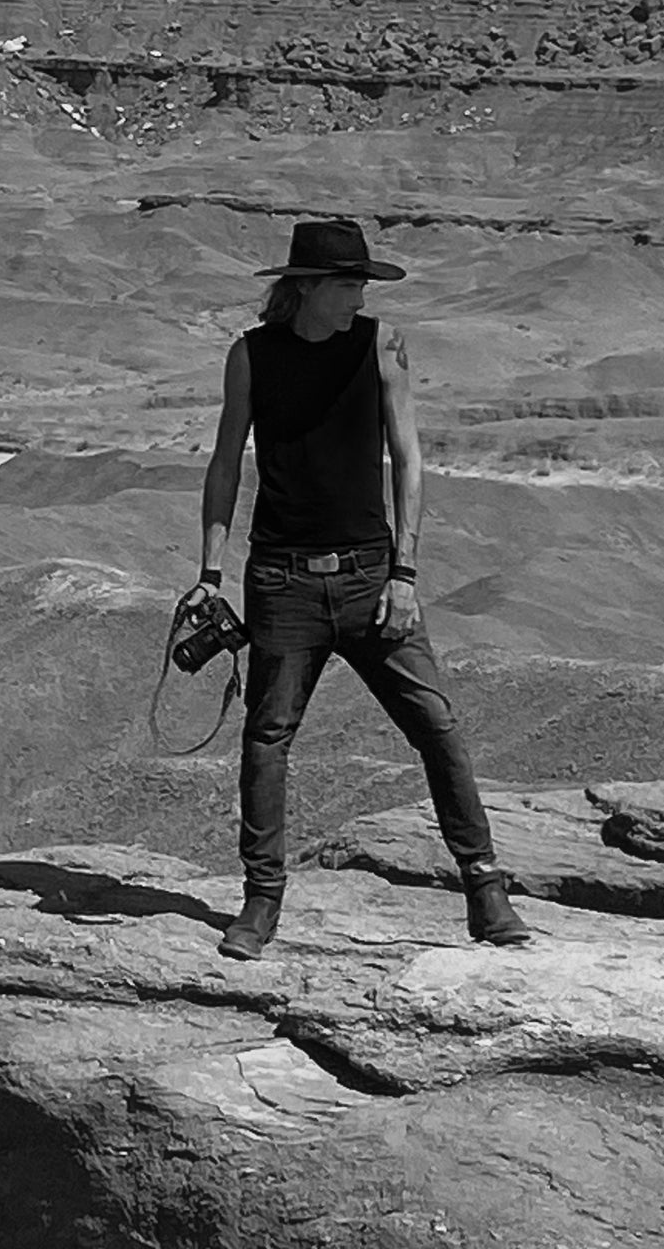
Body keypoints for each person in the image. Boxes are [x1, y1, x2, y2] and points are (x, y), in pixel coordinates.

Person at [199, 217, 530, 961]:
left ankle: (485, 889)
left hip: (371, 578)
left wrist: (406, 574)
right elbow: (225, 462)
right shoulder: (251, 356)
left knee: (436, 725)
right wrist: (209, 571)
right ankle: (261, 901)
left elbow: (409, 460)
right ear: (307, 289)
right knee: (268, 738)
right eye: (349, 284)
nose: (359, 298)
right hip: (282, 578)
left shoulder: (380, 345)